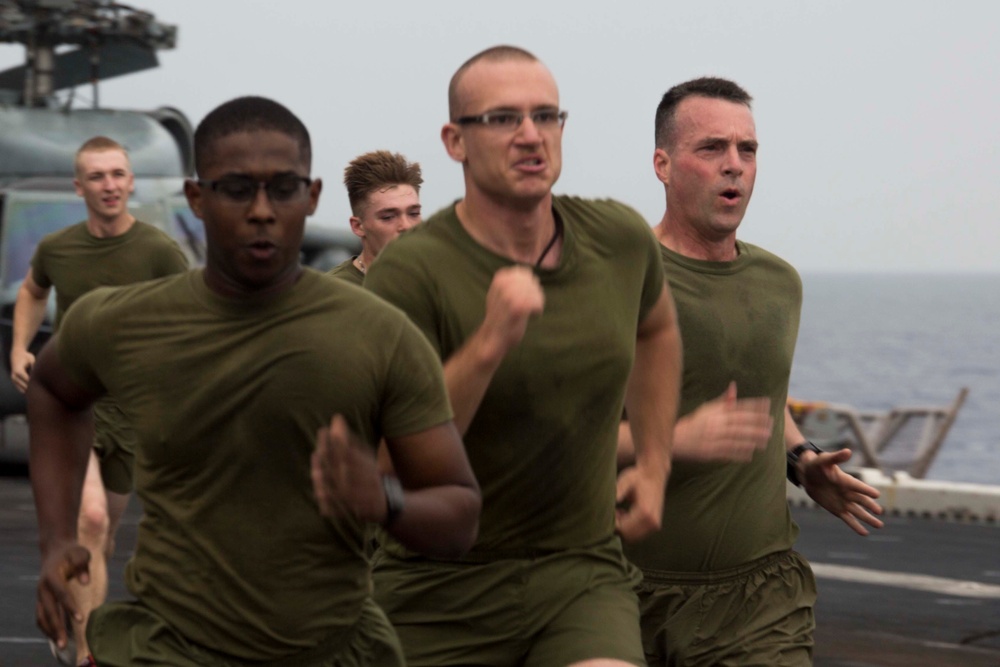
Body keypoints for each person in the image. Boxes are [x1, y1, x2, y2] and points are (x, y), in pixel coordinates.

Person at [28, 96, 480, 667]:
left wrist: (383, 499)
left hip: (329, 645)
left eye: (284, 188)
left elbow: (459, 513)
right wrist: (56, 540)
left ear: (311, 197)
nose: (262, 210)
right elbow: (50, 390)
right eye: (238, 188)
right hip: (173, 646)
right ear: (197, 198)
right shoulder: (121, 321)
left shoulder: (381, 334)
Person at [364, 45, 682, 667]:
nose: (531, 136)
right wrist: (487, 345)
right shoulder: (410, 272)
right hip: (436, 585)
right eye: (503, 119)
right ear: (455, 141)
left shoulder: (619, 239)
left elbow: (659, 330)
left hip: (580, 574)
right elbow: (387, 461)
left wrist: (654, 462)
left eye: (547, 116)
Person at [619, 77, 884, 666]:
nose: (734, 166)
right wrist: (673, 441)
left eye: (748, 150)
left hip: (760, 600)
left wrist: (802, 460)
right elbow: (556, 444)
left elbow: (766, 398)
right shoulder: (618, 281)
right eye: (711, 148)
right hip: (621, 596)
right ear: (662, 164)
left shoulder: (778, 284)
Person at [9, 135, 189, 666]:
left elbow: (193, 312)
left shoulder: (158, 250)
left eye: (117, 175)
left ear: (130, 182)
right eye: (97, 176)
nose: (109, 185)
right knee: (87, 519)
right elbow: (32, 290)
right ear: (79, 186)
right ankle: (89, 652)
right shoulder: (58, 248)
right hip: (73, 403)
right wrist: (21, 347)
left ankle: (79, 597)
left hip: (131, 411)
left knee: (103, 537)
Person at [328, 150, 423, 285]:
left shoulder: (439, 283)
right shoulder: (334, 293)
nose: (406, 226)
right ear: (358, 226)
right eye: (388, 217)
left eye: (414, 214)